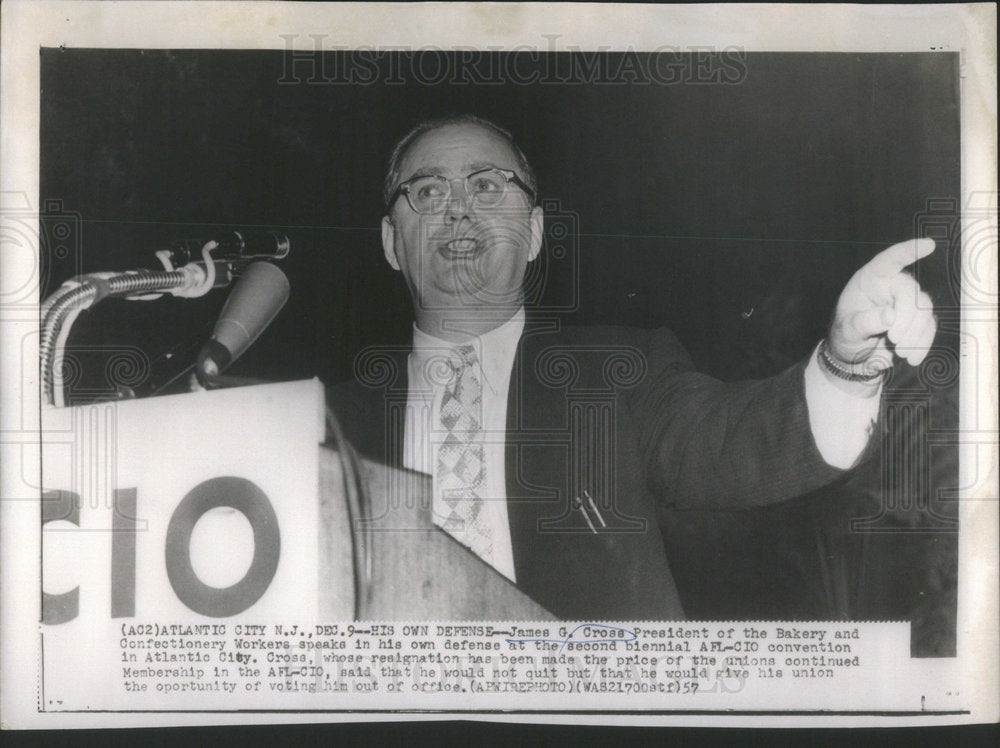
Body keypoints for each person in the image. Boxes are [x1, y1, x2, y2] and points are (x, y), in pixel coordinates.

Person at [327, 114, 938, 620]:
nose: (458, 208)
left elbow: (741, 440)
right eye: (428, 191)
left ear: (536, 232)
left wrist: (845, 359)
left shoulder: (620, 373)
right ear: (389, 240)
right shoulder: (323, 425)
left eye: (487, 185)